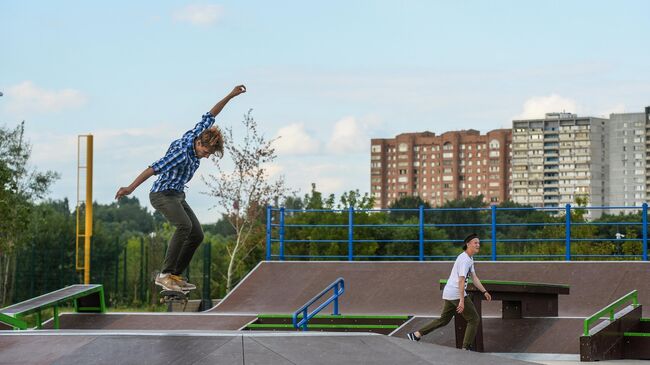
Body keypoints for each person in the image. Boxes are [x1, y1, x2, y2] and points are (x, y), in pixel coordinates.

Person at [115, 85, 246, 292]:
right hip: (161, 194)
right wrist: (130, 188)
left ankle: (174, 275)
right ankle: (164, 275)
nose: (207, 155)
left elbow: (212, 114)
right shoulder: (181, 154)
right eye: (207, 152)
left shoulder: (198, 133)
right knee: (184, 226)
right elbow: (153, 169)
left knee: (198, 234)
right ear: (200, 144)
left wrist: (230, 95)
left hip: (177, 195)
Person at [407, 233, 492, 350]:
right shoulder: (464, 260)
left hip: (449, 292)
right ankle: (465, 348)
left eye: (479, 243)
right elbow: (461, 280)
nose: (478, 245)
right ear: (468, 244)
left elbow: (474, 277)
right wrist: (462, 300)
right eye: (475, 243)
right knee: (474, 319)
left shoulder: (469, 258)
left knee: (443, 320)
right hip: (456, 293)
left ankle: (416, 334)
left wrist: (484, 291)